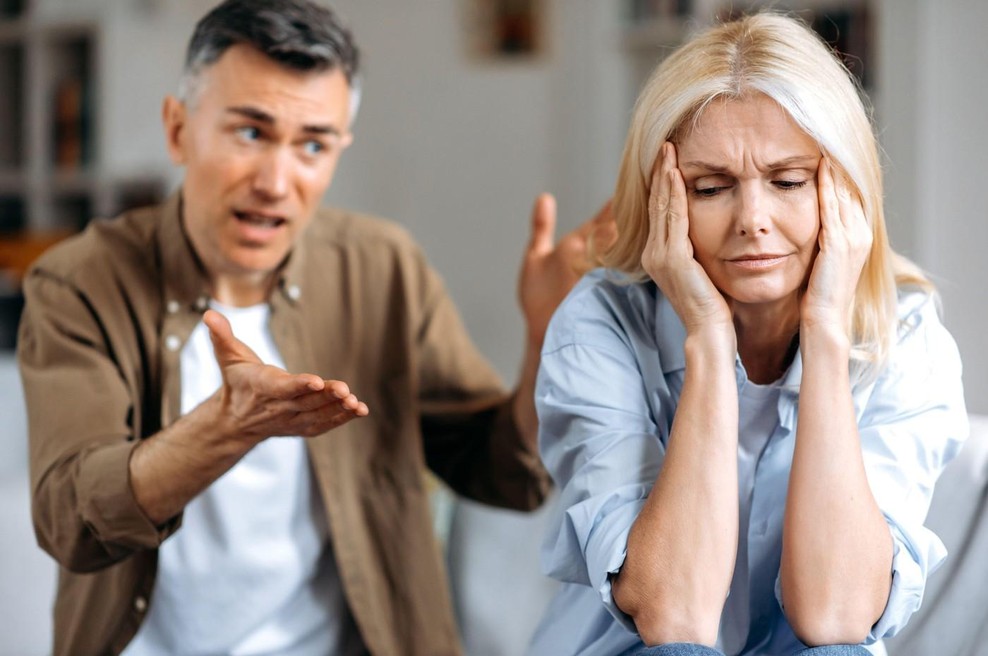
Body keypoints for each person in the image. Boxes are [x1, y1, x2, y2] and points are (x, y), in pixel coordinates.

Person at [16, 1, 612, 654]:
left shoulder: (383, 267)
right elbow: (71, 518)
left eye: (312, 145)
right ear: (178, 130)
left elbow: (503, 473)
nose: (276, 182)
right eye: (251, 132)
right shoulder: (79, 281)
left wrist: (545, 339)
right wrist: (224, 427)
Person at [528, 12, 967, 656]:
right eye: (711, 188)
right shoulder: (599, 322)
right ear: (661, 198)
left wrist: (825, 332)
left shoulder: (906, 334)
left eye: (788, 182)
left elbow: (838, 617)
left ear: (847, 190)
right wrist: (708, 341)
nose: (752, 220)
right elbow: (673, 617)